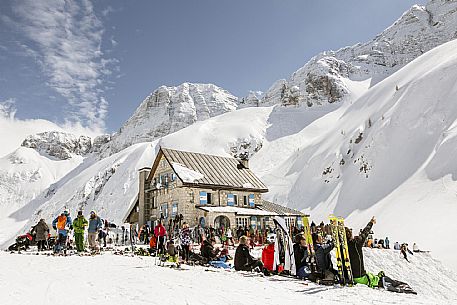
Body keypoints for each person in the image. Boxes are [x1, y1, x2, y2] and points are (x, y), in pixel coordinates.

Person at [345, 217, 381, 287]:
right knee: (377, 279)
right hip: (359, 277)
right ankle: (379, 277)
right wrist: (371, 223)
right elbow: (365, 233)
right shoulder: (355, 243)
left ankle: (377, 276)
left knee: (371, 275)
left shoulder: (341, 247)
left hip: (348, 276)